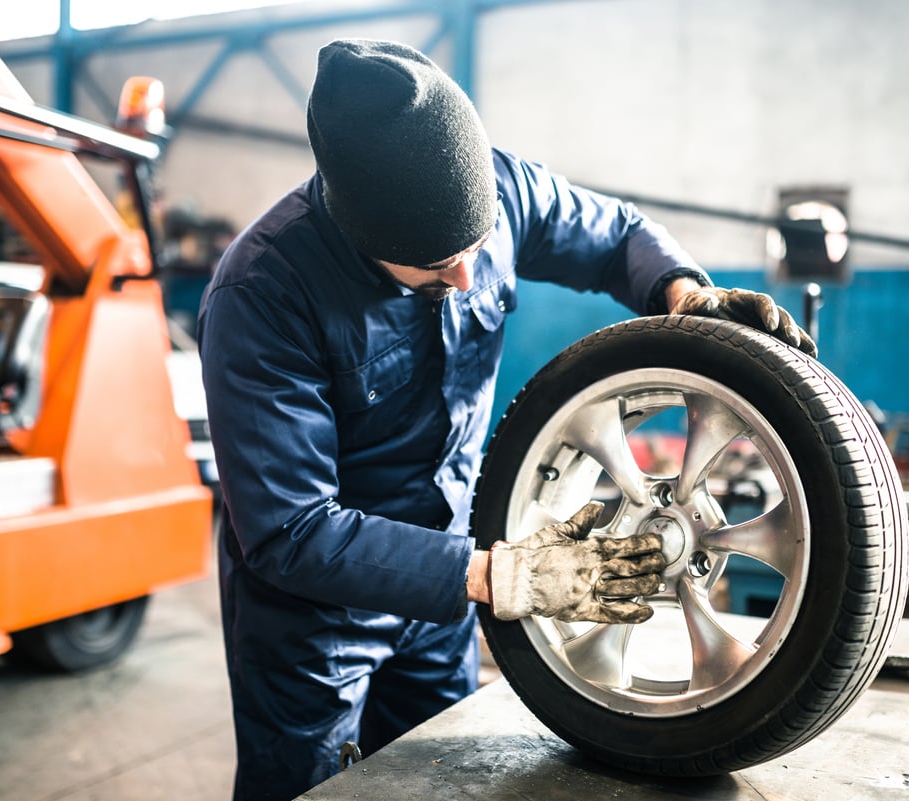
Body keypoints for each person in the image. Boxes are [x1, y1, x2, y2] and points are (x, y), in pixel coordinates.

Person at [197, 38, 816, 801]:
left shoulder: (501, 187)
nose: (465, 276)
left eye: (478, 243)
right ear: (360, 235)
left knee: (444, 781)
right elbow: (288, 531)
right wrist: (502, 573)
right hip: (316, 621)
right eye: (434, 265)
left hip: (451, 587)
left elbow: (619, 236)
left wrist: (684, 292)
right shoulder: (262, 293)